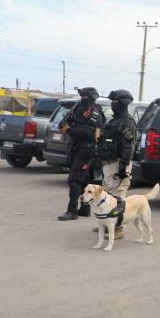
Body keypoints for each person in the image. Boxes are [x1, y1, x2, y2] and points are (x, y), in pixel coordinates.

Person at [92, 89, 138, 240]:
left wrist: (123, 167)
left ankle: (118, 230)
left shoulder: (127, 123)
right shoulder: (113, 121)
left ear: (123, 104)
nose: (112, 105)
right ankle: (107, 224)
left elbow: (128, 147)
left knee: (117, 198)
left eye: (115, 102)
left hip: (118, 164)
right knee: (107, 196)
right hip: (108, 164)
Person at [58, 87, 105, 221]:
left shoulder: (95, 112)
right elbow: (72, 120)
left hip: (86, 150)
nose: (82, 99)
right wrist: (65, 124)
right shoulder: (79, 108)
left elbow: (89, 134)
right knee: (83, 180)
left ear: (90, 98)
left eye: (84, 97)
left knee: (73, 180)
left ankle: (72, 211)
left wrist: (69, 130)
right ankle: (84, 209)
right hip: (76, 148)